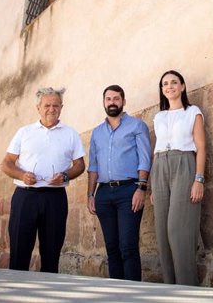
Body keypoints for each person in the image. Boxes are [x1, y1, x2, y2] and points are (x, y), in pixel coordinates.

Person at [1, 87, 86, 273]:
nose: (51, 109)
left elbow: (80, 165)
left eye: (56, 105)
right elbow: (6, 164)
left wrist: (65, 176)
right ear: (38, 107)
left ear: (61, 108)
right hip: (25, 197)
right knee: (19, 251)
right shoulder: (24, 132)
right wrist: (22, 175)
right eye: (47, 105)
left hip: (55, 199)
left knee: (51, 254)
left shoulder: (70, 134)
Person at [86, 85, 151, 281]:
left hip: (129, 191)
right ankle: (116, 294)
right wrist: (90, 195)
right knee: (112, 248)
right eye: (108, 99)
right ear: (104, 102)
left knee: (128, 246)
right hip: (103, 194)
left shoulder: (137, 126)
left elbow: (145, 158)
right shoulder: (97, 133)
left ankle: (132, 295)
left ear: (123, 101)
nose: (112, 102)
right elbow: (93, 166)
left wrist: (141, 188)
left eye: (116, 98)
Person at [151, 70, 206, 286]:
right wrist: (154, 187)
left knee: (177, 230)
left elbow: (201, 147)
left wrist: (198, 179)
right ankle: (169, 288)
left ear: (182, 86)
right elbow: (156, 150)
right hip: (160, 167)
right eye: (165, 84)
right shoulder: (159, 117)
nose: (169, 86)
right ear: (162, 90)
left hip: (184, 164)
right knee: (163, 233)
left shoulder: (192, 112)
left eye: (174, 82)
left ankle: (187, 289)